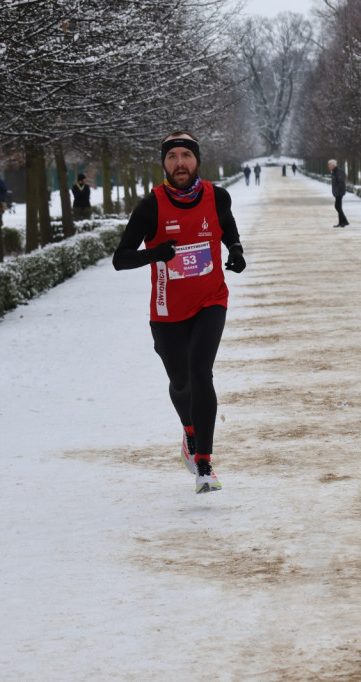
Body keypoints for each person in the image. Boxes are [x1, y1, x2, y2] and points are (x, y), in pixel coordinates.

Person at [112, 131, 246, 494]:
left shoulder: (217, 196)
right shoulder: (150, 207)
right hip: (167, 310)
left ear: (197, 160)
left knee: (201, 373)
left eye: (186, 155)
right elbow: (119, 260)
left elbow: (226, 224)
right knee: (181, 382)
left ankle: (204, 463)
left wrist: (235, 249)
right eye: (172, 157)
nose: (180, 163)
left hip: (211, 299)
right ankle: (189, 432)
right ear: (164, 164)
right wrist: (156, 254)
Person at [328, 159, 348, 227]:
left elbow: (341, 182)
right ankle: (342, 222)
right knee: (338, 207)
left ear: (333, 165)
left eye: (329, 165)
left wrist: (336, 191)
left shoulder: (338, 171)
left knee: (338, 206)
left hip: (339, 192)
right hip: (337, 192)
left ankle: (344, 221)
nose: (328, 166)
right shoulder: (334, 172)